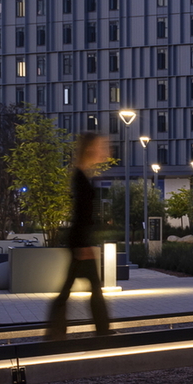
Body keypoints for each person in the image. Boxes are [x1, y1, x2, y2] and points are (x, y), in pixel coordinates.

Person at [44, 132, 113, 339]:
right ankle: (100, 331)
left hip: (80, 240)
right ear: (90, 148)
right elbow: (81, 213)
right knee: (84, 288)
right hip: (79, 241)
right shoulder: (80, 176)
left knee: (83, 287)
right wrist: (83, 244)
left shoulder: (83, 174)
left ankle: (58, 331)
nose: (105, 150)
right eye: (101, 146)